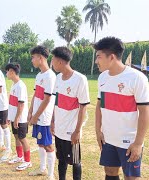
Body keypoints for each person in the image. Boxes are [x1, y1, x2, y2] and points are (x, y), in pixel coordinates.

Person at [94, 37, 149, 180]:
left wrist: (138, 143)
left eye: (99, 57)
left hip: (129, 141)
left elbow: (144, 112)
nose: (96, 61)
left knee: (131, 177)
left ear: (111, 57)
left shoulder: (136, 78)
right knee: (110, 172)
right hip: (108, 138)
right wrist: (98, 131)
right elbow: (99, 106)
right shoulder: (102, 78)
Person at [51, 47, 90, 180]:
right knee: (61, 159)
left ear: (60, 61)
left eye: (53, 60)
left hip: (72, 130)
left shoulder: (80, 79)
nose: (52, 63)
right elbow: (56, 102)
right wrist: (52, 121)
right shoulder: (57, 78)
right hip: (59, 128)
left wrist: (77, 131)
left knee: (75, 161)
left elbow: (83, 106)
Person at [28, 46, 56, 179]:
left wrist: (36, 116)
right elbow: (35, 95)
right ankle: (42, 168)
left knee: (48, 145)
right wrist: (30, 112)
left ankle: (51, 175)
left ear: (41, 57)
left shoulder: (50, 76)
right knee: (40, 143)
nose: (32, 60)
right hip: (36, 115)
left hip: (44, 117)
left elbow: (47, 99)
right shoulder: (39, 75)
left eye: (33, 57)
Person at [5, 63, 32, 171]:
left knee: (22, 138)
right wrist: (9, 116)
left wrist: (16, 118)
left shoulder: (21, 85)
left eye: (7, 71)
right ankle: (19, 156)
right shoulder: (14, 85)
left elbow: (21, 104)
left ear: (12, 71)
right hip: (13, 117)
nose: (6, 74)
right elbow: (12, 103)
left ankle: (27, 161)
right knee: (16, 137)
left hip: (20, 118)